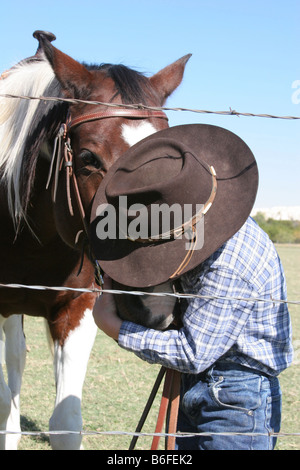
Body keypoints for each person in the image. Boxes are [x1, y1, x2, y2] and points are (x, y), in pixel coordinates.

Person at [90, 124, 293, 450]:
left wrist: (115, 327)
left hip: (235, 398)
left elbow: (193, 353)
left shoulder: (227, 263)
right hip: (208, 384)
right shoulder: (194, 228)